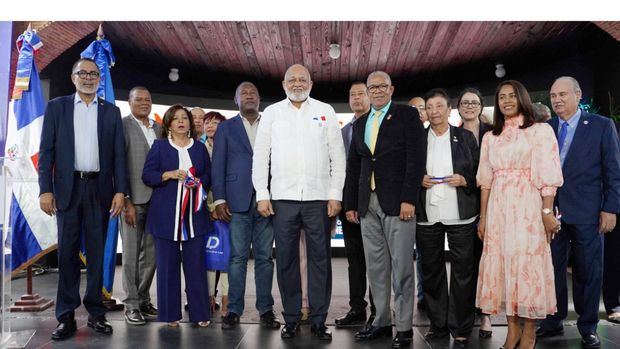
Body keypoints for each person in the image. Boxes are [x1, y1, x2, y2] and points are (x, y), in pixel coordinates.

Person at [252, 64, 346, 340]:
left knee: (321, 261)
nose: (297, 83)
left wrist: (335, 194)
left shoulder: (325, 111)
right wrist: (262, 194)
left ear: (311, 83)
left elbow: (337, 157)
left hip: (318, 199)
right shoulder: (271, 113)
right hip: (282, 199)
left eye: (302, 79)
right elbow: (261, 157)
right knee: (286, 261)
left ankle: (318, 319)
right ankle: (291, 318)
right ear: (283, 84)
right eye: (291, 79)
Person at [39, 58, 127, 340]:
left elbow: (118, 157)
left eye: (93, 73)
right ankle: (65, 317)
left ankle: (96, 313)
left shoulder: (111, 112)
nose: (88, 78)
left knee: (98, 256)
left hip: (99, 190)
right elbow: (47, 153)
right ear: (73, 76)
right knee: (66, 255)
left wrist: (120, 191)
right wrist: (45, 189)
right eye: (83, 73)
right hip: (67, 190)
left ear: (99, 78)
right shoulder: (57, 107)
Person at [477, 80, 563, 349]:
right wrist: (483, 217)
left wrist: (547, 211)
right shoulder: (491, 137)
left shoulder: (540, 131)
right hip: (499, 208)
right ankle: (512, 331)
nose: (506, 100)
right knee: (504, 267)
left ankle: (529, 332)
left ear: (522, 98)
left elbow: (548, 174)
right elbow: (486, 180)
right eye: (501, 97)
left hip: (528, 207)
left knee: (527, 268)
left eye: (512, 96)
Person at [345, 71, 426, 348]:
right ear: (367, 91)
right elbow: (354, 168)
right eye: (372, 87)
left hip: (398, 203)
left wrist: (409, 199)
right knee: (376, 268)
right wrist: (352, 204)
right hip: (367, 205)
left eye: (382, 86)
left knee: (402, 267)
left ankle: (403, 328)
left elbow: (416, 160)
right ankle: (381, 321)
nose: (377, 91)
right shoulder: (360, 124)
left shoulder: (407, 116)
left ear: (391, 88)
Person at [537, 76, 620, 349]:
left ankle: (588, 326)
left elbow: (613, 172)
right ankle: (552, 320)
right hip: (552, 213)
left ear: (578, 94)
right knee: (552, 269)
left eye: (563, 94)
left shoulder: (601, 126)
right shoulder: (545, 128)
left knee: (588, 269)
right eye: (553, 96)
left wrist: (610, 209)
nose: (557, 100)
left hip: (589, 212)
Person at [212, 82, 281, 330]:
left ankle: (266, 310)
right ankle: (234, 310)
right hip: (235, 202)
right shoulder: (226, 128)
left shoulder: (273, 125)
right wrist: (219, 199)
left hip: (268, 201)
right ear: (235, 99)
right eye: (244, 93)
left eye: (253, 92)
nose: (249, 96)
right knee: (237, 258)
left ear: (260, 98)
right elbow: (217, 164)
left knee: (265, 258)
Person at [417, 88, 479, 346]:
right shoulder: (417, 138)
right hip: (427, 214)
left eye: (438, 106)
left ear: (449, 110)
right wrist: (417, 180)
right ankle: (438, 324)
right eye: (429, 107)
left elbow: (480, 174)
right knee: (431, 271)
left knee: (463, 272)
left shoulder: (465, 138)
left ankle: (461, 325)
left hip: (460, 214)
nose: (434, 112)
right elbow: (405, 171)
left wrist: (466, 180)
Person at [142, 104, 211, 328]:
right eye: (176, 118)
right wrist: (168, 174)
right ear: (169, 124)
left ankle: (200, 313)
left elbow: (209, 176)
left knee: (196, 266)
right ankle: (170, 314)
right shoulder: (160, 146)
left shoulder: (200, 149)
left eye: (185, 118)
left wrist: (198, 181)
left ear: (190, 124)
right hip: (165, 218)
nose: (181, 121)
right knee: (167, 267)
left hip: (195, 217)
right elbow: (147, 176)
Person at [335, 81, 376, 328]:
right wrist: (345, 203)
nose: (357, 98)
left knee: (377, 261)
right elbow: (343, 172)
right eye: (353, 95)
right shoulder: (344, 131)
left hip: (375, 204)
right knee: (355, 261)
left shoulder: (380, 125)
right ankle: (357, 309)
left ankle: (378, 311)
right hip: (350, 205)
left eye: (362, 93)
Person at [120, 86, 160, 325]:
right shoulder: (122, 126)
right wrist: (125, 199)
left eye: (148, 99)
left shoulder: (158, 128)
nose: (144, 103)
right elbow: (118, 163)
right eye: (139, 99)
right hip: (132, 201)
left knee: (152, 255)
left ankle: (143, 299)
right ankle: (131, 304)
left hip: (157, 201)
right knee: (131, 256)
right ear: (129, 101)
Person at [456, 87, 493, 338]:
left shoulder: (493, 133)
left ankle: (486, 314)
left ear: (481, 107)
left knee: (487, 261)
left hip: (491, 203)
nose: (469, 106)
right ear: (458, 107)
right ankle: (464, 314)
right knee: (465, 264)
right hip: (462, 205)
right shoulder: (451, 134)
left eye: (474, 102)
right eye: (465, 102)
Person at [202, 111, 229, 315]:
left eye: (216, 122)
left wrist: (222, 207)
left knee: (228, 255)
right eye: (207, 122)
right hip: (204, 209)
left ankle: (228, 299)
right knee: (209, 256)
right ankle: (208, 296)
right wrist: (209, 209)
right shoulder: (197, 148)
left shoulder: (230, 146)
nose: (210, 126)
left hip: (228, 208)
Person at [603, 120, 620, 324]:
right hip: (614, 202)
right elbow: (612, 170)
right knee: (614, 256)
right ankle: (613, 304)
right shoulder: (609, 128)